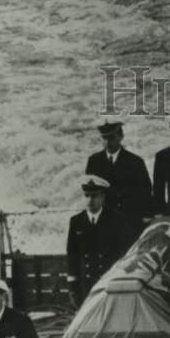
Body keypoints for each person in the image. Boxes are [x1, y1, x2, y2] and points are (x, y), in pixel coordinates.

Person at [66, 174, 133, 305]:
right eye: (87, 195)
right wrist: (73, 287)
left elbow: (124, 253)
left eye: (94, 196)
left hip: (108, 283)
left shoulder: (116, 220)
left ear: (103, 197)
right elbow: (72, 255)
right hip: (85, 285)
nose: (90, 200)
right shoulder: (76, 222)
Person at [85, 120, 152, 233]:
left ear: (121, 136)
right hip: (104, 221)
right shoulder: (94, 161)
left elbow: (146, 192)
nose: (107, 142)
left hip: (129, 221)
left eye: (111, 137)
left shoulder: (135, 162)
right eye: (104, 138)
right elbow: (89, 193)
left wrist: (144, 216)